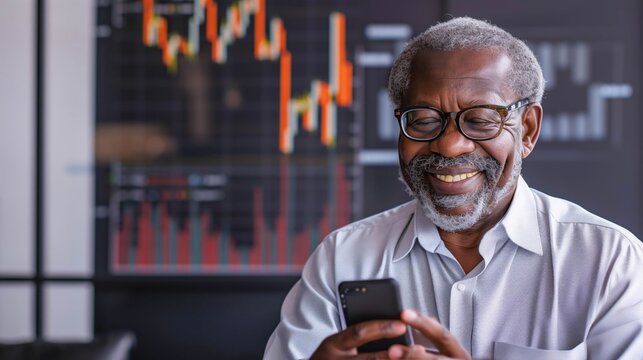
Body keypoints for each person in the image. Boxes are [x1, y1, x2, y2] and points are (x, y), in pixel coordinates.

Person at [263, 17, 643, 359]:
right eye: (424, 120)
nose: (449, 145)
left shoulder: (610, 262)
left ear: (527, 130)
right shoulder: (342, 258)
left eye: (480, 120)